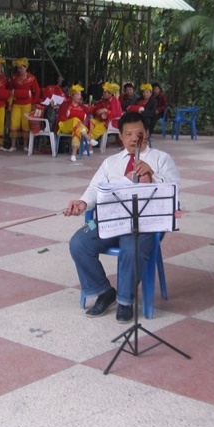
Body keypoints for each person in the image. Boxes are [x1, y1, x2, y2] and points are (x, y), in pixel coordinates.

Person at [65, 112, 180, 323]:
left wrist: (153, 175)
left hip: (145, 223)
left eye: (139, 133)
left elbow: (174, 191)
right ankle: (103, 291)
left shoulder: (161, 159)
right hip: (110, 219)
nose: (134, 138)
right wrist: (83, 202)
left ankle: (125, 301)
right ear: (120, 136)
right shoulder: (111, 162)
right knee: (79, 243)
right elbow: (95, 189)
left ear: (147, 133)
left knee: (131, 247)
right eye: (128, 134)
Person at [6, 58, 41, 152]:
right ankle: (13, 145)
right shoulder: (14, 77)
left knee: (26, 124)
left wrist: (34, 103)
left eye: (21, 68)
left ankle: (25, 145)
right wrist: (10, 103)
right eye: (18, 68)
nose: (19, 70)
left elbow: (37, 91)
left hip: (27, 104)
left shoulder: (32, 78)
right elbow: (10, 91)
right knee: (14, 123)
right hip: (16, 103)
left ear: (26, 68)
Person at [57, 84, 90, 162]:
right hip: (65, 126)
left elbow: (85, 118)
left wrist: (72, 114)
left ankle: (73, 154)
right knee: (75, 120)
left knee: (77, 129)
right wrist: (71, 117)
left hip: (77, 127)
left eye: (80, 95)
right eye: (77, 94)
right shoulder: (65, 105)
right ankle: (89, 138)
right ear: (72, 95)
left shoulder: (82, 107)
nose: (80, 97)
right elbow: (61, 118)